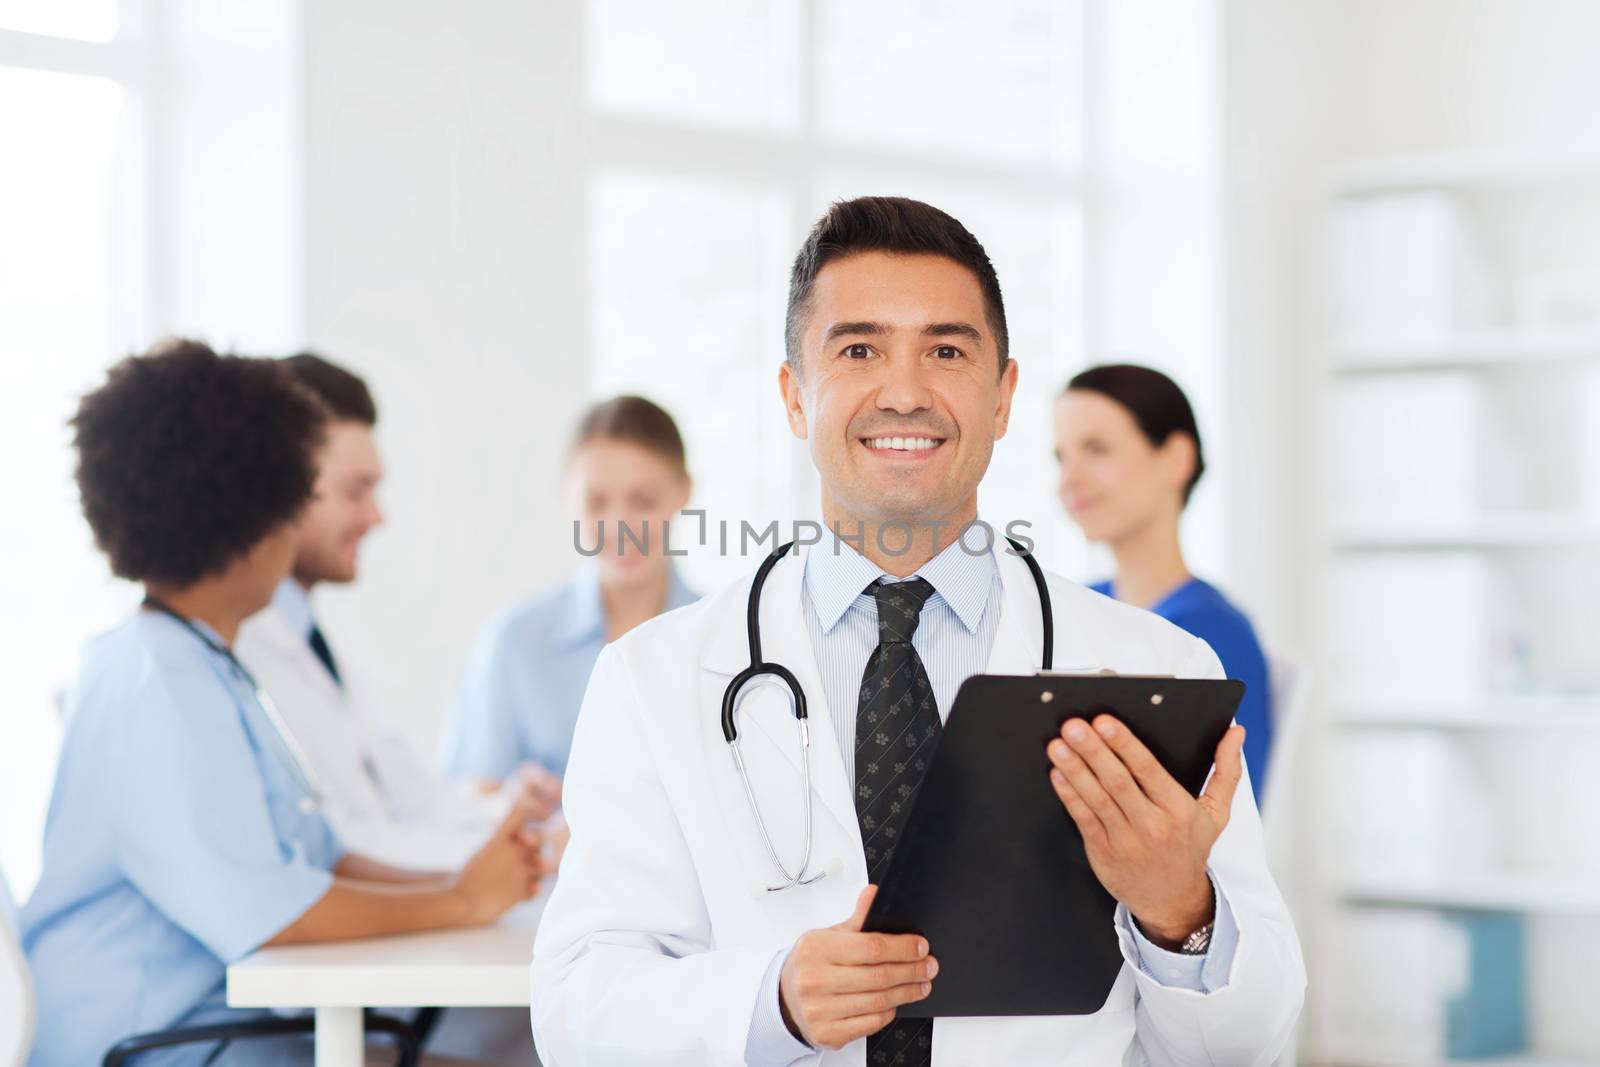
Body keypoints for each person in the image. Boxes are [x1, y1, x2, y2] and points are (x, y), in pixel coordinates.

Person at [530, 197, 1304, 1065]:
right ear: (794, 395)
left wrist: (1180, 914)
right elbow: (573, 1010)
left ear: (1004, 396)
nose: (904, 391)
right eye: (858, 349)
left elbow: (1253, 1045)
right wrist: (771, 998)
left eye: (946, 350)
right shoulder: (653, 678)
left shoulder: (1158, 662)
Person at [20, 341, 543, 1067]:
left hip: (229, 1033)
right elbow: (270, 912)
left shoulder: (205, 664)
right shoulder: (155, 682)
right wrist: (461, 899)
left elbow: (320, 861)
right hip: (163, 1047)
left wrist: (484, 879)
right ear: (249, 519)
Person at [236, 353, 546, 872]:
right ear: (283, 484)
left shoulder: (312, 641)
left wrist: (508, 811)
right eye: (357, 490)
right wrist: (514, 854)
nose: (376, 516)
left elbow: (409, 799)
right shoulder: (243, 648)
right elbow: (334, 844)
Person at [440, 395, 698, 790]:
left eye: (643, 501)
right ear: (566, 497)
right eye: (597, 503)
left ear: (683, 493)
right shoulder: (514, 642)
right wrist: (517, 808)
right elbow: (468, 800)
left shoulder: (726, 637)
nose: (620, 526)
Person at [1054, 363, 1276, 797]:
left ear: (1175, 459)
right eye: (1061, 457)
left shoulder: (1211, 634)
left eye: (1097, 449)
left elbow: (1221, 817)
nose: (1068, 480)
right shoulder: (1072, 608)